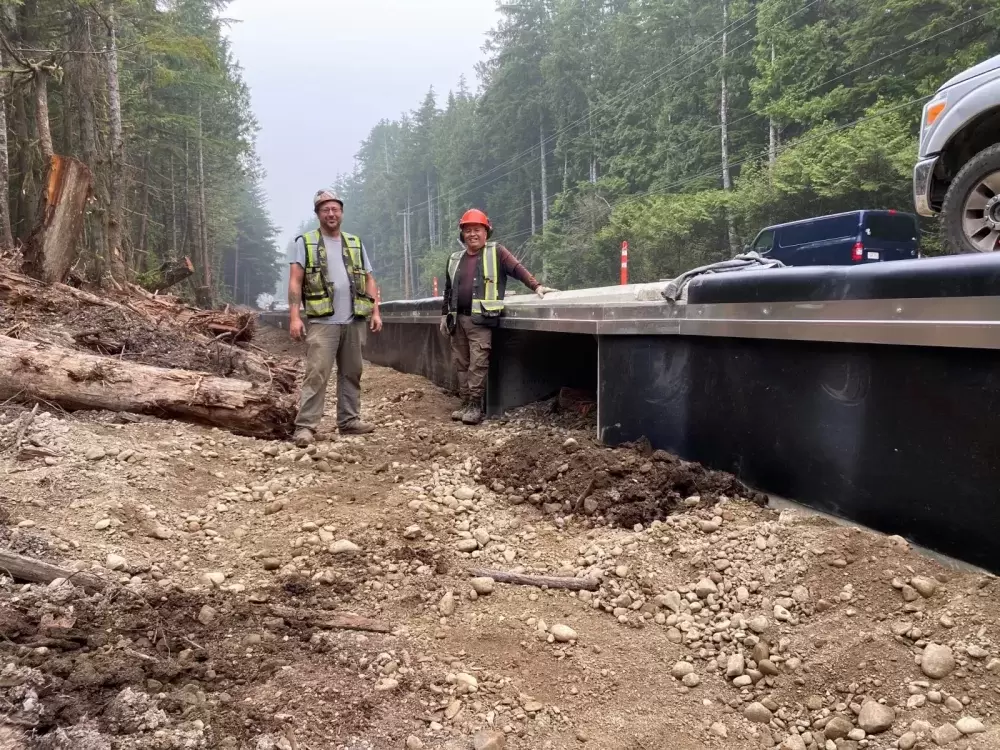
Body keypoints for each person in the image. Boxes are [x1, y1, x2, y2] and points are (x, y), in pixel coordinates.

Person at [440, 209, 555, 425]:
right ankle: (465, 403)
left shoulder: (497, 252)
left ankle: (475, 405)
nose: (472, 234)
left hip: (481, 320)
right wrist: (444, 315)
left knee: (478, 363)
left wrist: (536, 285)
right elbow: (448, 290)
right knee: (461, 363)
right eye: (468, 230)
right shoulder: (455, 259)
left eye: (477, 230)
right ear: (462, 234)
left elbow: (517, 269)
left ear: (486, 232)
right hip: (457, 321)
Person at [287, 189, 382, 446]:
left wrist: (375, 311)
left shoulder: (354, 243)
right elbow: (296, 281)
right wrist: (295, 317)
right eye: (325, 209)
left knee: (352, 372)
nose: (331, 213)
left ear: (341, 212)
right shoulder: (305, 243)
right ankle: (306, 426)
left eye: (335, 209)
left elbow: (369, 278)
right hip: (322, 322)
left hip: (353, 320)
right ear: (318, 214)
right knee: (316, 374)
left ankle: (349, 421)